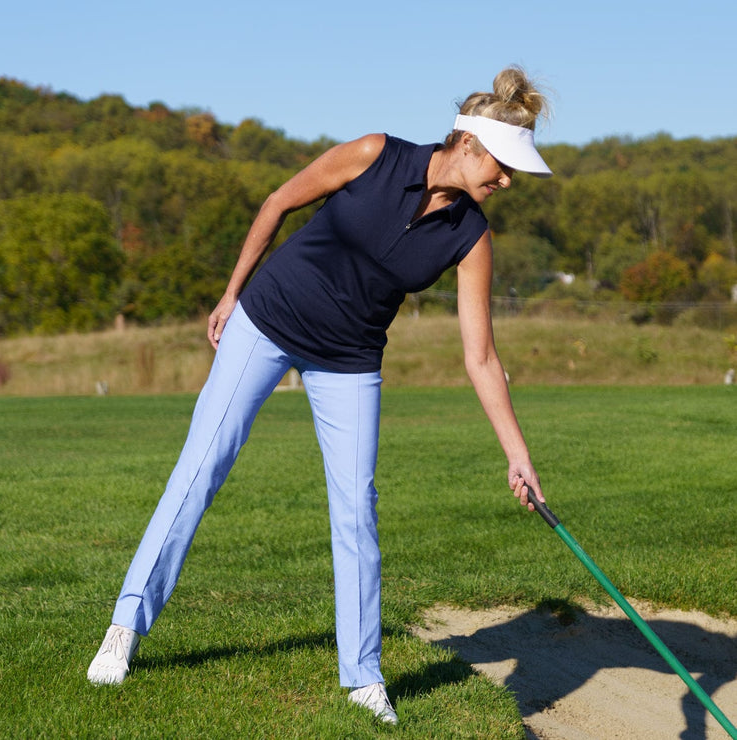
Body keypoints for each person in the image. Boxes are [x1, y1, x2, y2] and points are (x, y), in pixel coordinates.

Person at [87, 65, 550, 726]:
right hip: (267, 321)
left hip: (349, 359)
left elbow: (480, 357)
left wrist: (517, 454)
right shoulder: (374, 154)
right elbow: (278, 202)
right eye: (504, 166)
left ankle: (363, 677)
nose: (507, 182)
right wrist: (230, 294)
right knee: (200, 468)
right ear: (470, 144)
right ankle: (124, 628)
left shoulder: (471, 237)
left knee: (356, 510)